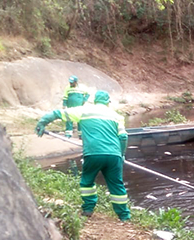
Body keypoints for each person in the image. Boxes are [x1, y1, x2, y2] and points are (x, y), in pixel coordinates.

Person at [35, 90, 131, 221]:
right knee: (116, 184)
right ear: (108, 102)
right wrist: (121, 154)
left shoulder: (84, 111)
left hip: (93, 153)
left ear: (95, 101)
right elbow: (123, 137)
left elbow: (56, 113)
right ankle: (124, 216)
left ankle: (88, 209)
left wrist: (42, 122)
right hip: (113, 155)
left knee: (87, 182)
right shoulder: (116, 116)